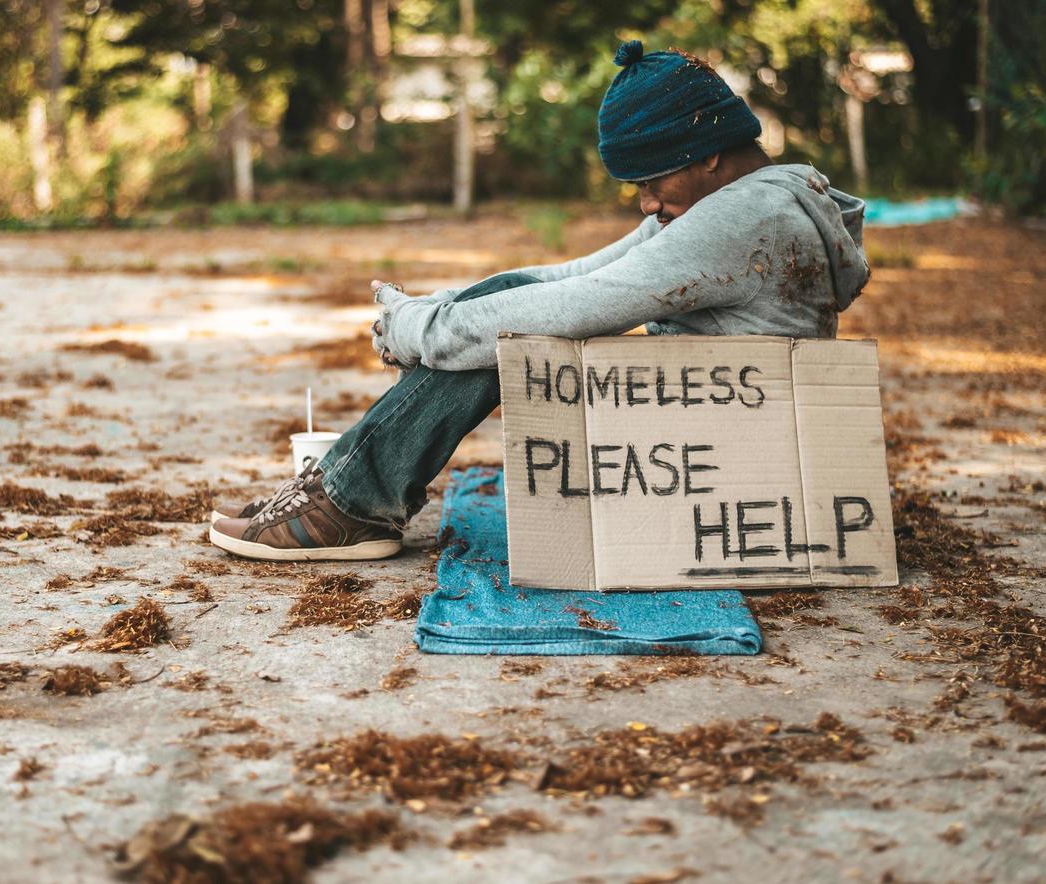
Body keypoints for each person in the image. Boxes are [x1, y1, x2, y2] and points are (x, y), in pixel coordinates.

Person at [208, 39, 871, 561]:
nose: (644, 203)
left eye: (649, 180)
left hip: (721, 468)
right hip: (707, 439)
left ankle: (348, 503)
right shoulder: (737, 201)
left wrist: (427, 330)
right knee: (506, 305)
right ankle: (346, 492)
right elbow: (571, 274)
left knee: (511, 334)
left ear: (707, 156)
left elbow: (580, 305)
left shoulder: (739, 220)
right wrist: (437, 308)